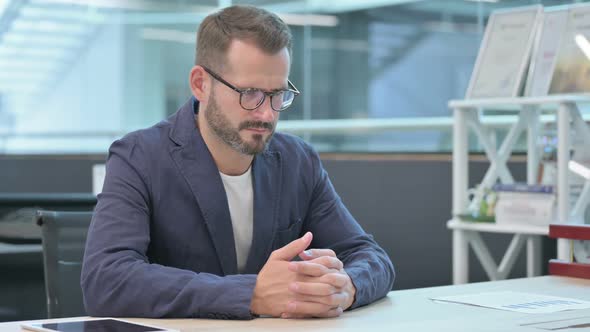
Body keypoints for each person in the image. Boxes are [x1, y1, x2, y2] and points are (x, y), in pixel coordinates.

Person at [81, 5, 394, 320]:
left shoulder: (298, 161)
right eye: (250, 93)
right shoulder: (138, 157)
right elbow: (106, 280)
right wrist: (251, 293)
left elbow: (371, 257)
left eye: (277, 95)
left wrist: (345, 287)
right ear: (201, 84)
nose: (266, 114)